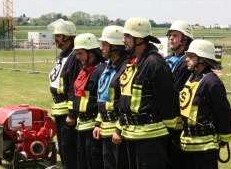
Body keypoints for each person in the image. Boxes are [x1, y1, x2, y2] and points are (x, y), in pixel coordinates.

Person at [112, 17, 179, 169]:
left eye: (128, 36)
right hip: (131, 133)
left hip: (150, 136)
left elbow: (167, 99)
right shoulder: (132, 61)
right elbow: (125, 99)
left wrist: (167, 131)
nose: (124, 40)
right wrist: (120, 126)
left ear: (140, 38)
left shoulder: (154, 63)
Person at [179, 39, 231, 169]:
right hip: (187, 145)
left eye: (191, 56)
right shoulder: (192, 77)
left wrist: (225, 138)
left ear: (202, 59)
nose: (187, 59)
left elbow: (224, 112)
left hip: (205, 148)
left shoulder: (212, 82)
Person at [92, 25, 129, 169]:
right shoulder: (109, 66)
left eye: (105, 44)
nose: (101, 47)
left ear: (115, 46)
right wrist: (98, 123)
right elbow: (103, 98)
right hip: (106, 128)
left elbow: (125, 103)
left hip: (118, 130)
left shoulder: (125, 68)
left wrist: (119, 129)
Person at [68, 33, 106, 169]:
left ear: (92, 53)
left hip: (93, 127)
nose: (78, 58)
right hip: (82, 125)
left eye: (81, 54)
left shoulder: (101, 70)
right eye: (76, 54)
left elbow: (102, 101)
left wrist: (98, 123)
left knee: (93, 164)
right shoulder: (84, 70)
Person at [49, 20, 80, 169]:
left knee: (68, 149)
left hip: (67, 109)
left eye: (58, 36)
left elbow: (75, 86)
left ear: (68, 37)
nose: (55, 39)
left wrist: (71, 113)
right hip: (59, 108)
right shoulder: (63, 55)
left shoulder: (74, 56)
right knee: (62, 147)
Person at [165, 20, 194, 169]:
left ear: (185, 39)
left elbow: (173, 89)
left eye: (175, 35)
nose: (171, 38)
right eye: (170, 35)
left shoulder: (187, 62)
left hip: (179, 122)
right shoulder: (167, 59)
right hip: (165, 120)